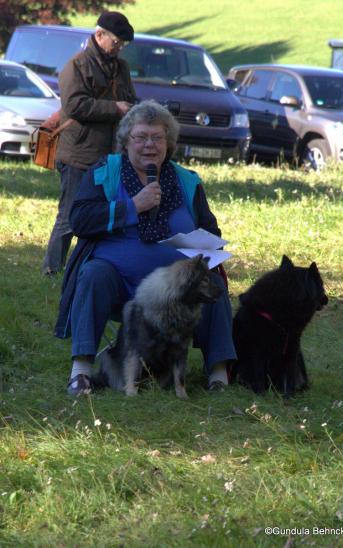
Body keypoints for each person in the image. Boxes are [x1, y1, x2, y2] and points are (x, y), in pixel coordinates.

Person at [54, 100, 237, 395]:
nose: (149, 145)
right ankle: (82, 372)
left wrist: (201, 245)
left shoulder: (187, 181)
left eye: (157, 137)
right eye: (141, 137)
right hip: (119, 284)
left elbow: (211, 232)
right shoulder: (105, 172)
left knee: (212, 282)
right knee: (93, 274)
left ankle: (218, 376)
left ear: (169, 142)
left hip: (175, 291)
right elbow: (80, 219)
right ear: (126, 141)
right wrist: (132, 207)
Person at [42, 11, 136, 276]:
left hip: (111, 155)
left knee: (103, 216)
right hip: (77, 153)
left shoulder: (121, 68)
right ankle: (51, 268)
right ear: (99, 35)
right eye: (116, 42)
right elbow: (73, 106)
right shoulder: (77, 65)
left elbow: (129, 97)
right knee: (69, 216)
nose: (119, 48)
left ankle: (88, 266)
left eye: (123, 44)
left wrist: (131, 108)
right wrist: (115, 108)